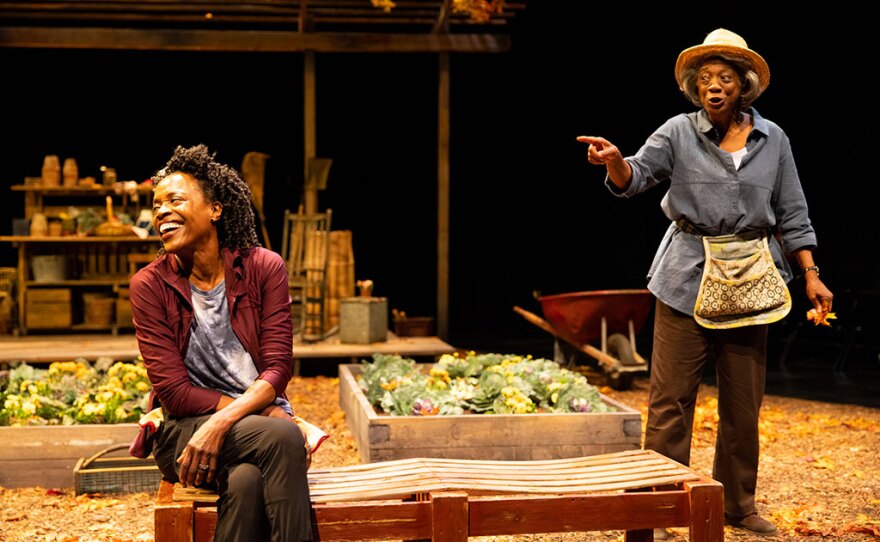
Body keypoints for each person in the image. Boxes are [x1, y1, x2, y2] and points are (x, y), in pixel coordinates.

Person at [577, 29, 833, 536]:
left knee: (742, 403)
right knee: (670, 401)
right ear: (696, 89)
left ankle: (738, 505)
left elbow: (793, 212)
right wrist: (614, 164)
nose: (715, 86)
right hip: (685, 278)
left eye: (727, 78)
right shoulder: (677, 131)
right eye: (707, 80)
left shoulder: (773, 138)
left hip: (752, 280)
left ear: (744, 86)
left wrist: (811, 274)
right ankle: (656, 506)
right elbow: (637, 175)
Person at [129, 144, 312, 542]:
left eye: (175, 200)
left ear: (214, 209)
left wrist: (228, 421)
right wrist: (260, 416)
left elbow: (279, 368)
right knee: (284, 437)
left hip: (247, 421)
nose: (161, 212)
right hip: (185, 431)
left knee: (246, 482)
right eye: (156, 205)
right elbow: (174, 393)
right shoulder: (149, 285)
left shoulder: (264, 267)